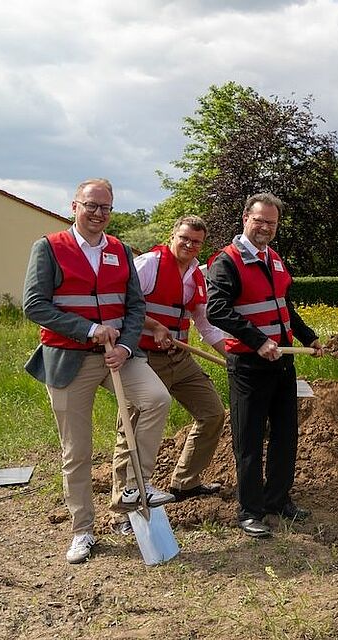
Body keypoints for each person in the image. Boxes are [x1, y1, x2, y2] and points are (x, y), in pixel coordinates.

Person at [22, 178, 172, 564]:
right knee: (78, 450)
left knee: (156, 399)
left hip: (117, 356)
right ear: (74, 206)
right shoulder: (50, 248)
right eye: (91, 206)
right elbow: (35, 305)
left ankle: (135, 488)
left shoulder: (120, 249)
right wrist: (89, 330)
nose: (98, 214)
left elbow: (136, 306)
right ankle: (83, 531)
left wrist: (125, 345)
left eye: (105, 207)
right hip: (69, 357)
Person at [205, 192, 323, 539]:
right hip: (248, 364)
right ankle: (250, 510)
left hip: (283, 361)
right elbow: (217, 311)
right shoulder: (226, 261)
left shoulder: (275, 259)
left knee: (287, 434)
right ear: (245, 219)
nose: (265, 228)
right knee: (250, 439)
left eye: (271, 223)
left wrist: (308, 338)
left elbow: (284, 306)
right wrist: (258, 341)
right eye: (259, 220)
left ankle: (277, 500)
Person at [110, 216, 229, 534]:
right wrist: (154, 326)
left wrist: (230, 356)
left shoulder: (195, 275)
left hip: (180, 357)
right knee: (131, 431)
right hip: (143, 358)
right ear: (172, 236)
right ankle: (124, 511)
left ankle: (185, 482)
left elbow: (204, 324)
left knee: (213, 413)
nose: (190, 246)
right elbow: (121, 304)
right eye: (184, 238)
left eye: (197, 242)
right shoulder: (148, 264)